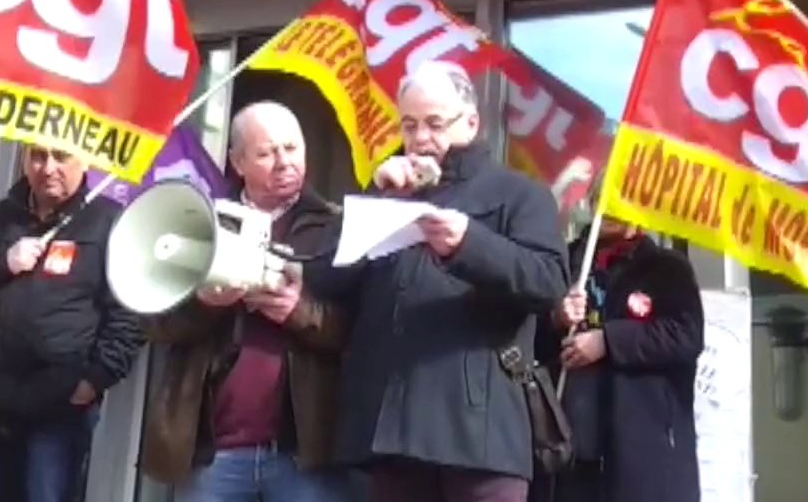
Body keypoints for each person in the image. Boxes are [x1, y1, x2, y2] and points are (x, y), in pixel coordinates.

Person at [306, 60, 571, 502]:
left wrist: (468, 244)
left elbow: (548, 281)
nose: (420, 138)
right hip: (390, 435)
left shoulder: (519, 194)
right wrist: (375, 199)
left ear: (471, 122)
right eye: (409, 125)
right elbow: (321, 277)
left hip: (479, 432)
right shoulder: (388, 191)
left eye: (434, 123)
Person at [140, 103, 353, 502]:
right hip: (212, 454)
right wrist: (205, 304)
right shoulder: (199, 223)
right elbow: (156, 321)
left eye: (292, 148)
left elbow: (358, 331)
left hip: (304, 455)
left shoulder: (336, 228)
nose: (284, 162)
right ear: (238, 162)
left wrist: (299, 312)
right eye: (266, 153)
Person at [0, 146, 146, 502]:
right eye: (38, 156)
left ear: (85, 160)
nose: (48, 168)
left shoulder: (110, 224)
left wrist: (95, 378)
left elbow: (129, 311)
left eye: (62, 157)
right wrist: (2, 264)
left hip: (56, 409)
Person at [532, 186, 704, 502]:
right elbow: (528, 337)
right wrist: (556, 318)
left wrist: (608, 341)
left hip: (642, 447)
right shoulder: (563, 262)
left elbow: (686, 335)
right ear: (592, 203)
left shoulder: (667, 268)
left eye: (624, 198)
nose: (613, 208)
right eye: (605, 198)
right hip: (568, 443)